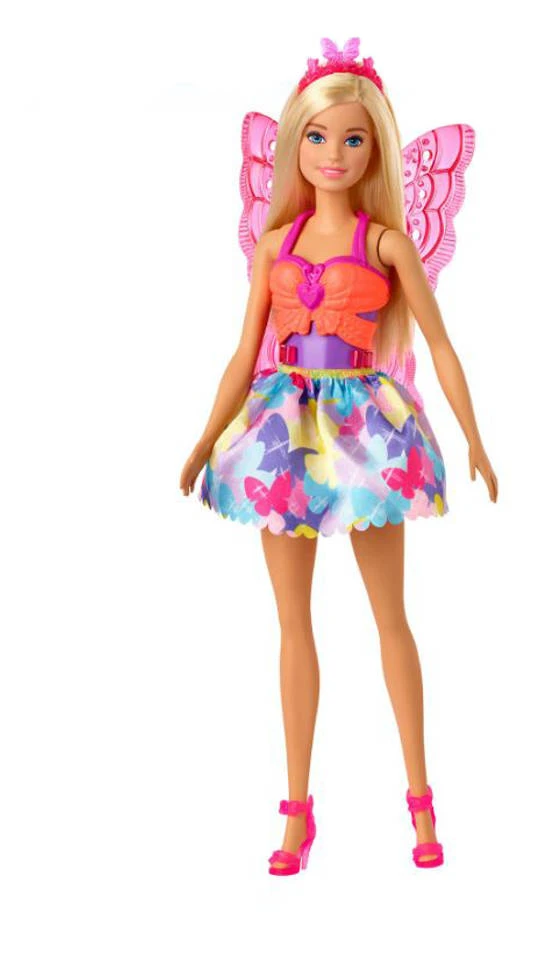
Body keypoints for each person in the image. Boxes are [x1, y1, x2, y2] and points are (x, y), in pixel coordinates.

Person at [179, 37, 498, 874]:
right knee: (293, 623)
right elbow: (243, 353)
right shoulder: (275, 246)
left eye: (353, 138)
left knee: (391, 618)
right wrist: (206, 437)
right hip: (283, 427)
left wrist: (474, 435)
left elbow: (440, 343)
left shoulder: (387, 244)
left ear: (376, 148)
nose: (333, 153)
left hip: (366, 429)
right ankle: (296, 812)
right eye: (318, 137)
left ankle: (421, 802)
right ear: (295, 143)